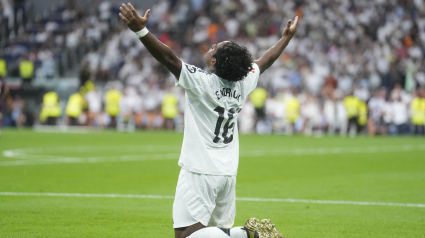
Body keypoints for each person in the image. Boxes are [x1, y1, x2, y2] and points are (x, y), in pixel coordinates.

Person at [119, 3, 298, 238]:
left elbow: (169, 58)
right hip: (227, 173)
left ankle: (248, 235)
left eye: (215, 47)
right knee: (217, 232)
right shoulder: (243, 83)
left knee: (185, 234)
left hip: (200, 170)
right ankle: (248, 234)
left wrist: (141, 31)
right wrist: (286, 39)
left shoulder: (201, 82)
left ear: (214, 62)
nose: (211, 46)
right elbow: (265, 61)